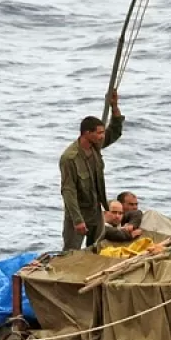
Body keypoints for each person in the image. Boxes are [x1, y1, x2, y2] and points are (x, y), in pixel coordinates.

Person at [59, 91, 125, 250]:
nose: (102, 136)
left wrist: (114, 106)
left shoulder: (95, 146)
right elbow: (68, 191)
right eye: (99, 133)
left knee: (96, 248)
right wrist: (77, 220)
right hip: (78, 212)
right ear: (87, 133)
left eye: (103, 133)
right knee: (71, 251)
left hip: (95, 209)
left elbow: (115, 131)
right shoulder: (70, 158)